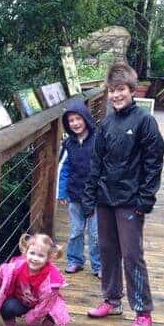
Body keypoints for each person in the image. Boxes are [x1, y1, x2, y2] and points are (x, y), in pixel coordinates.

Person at [82, 61, 164, 326]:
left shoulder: (144, 121)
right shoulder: (106, 123)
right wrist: (89, 196)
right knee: (107, 251)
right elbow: (96, 162)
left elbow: (154, 161)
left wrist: (146, 198)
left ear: (132, 90)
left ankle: (142, 311)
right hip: (105, 198)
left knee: (131, 254)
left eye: (121, 90)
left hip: (130, 200)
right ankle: (112, 299)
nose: (116, 95)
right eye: (111, 91)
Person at [0, 232, 70, 326]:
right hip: (21, 301)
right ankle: (9, 324)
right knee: (7, 306)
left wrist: (33, 316)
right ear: (25, 252)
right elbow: (1, 273)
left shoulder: (52, 279)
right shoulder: (17, 266)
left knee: (57, 308)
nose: (35, 258)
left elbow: (47, 302)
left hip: (43, 304)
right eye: (32, 253)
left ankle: (47, 325)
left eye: (41, 255)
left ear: (48, 258)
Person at [57, 97, 101, 277]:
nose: (75, 123)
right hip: (75, 195)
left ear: (85, 118)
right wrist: (62, 192)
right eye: (71, 121)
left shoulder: (98, 140)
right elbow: (64, 169)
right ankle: (75, 260)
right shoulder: (68, 144)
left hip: (96, 196)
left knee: (96, 233)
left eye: (78, 119)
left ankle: (99, 265)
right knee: (76, 230)